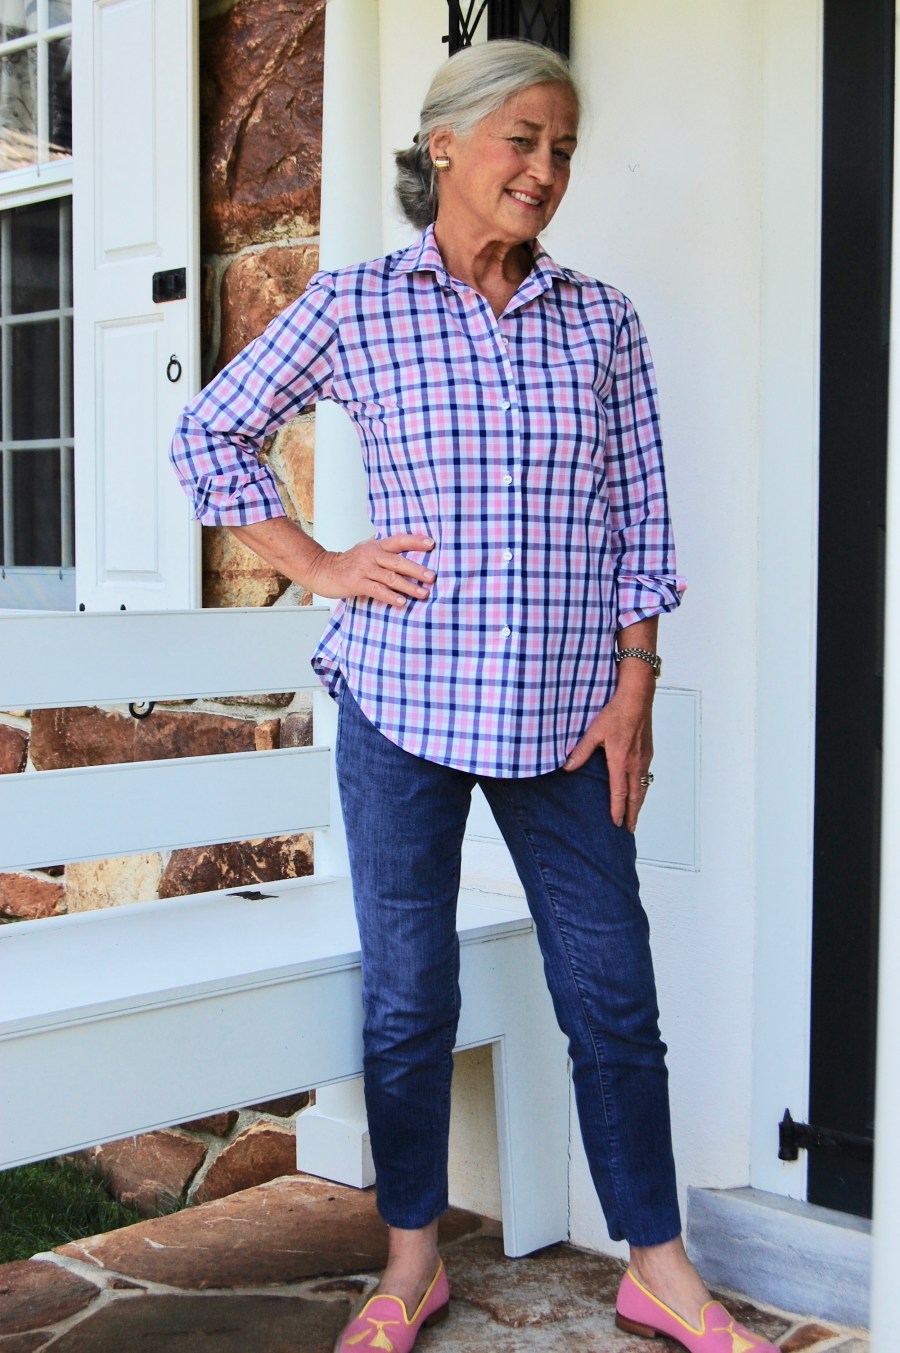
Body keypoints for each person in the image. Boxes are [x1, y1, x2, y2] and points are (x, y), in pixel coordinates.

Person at [171, 39, 778, 1353]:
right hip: (403, 705)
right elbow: (208, 431)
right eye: (523, 139)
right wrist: (321, 565)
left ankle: (657, 1266)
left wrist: (637, 683)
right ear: (443, 143)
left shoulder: (600, 319)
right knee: (409, 998)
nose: (546, 169)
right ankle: (410, 1265)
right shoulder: (358, 305)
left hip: (567, 716)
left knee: (612, 994)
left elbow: (640, 516)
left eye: (564, 148)